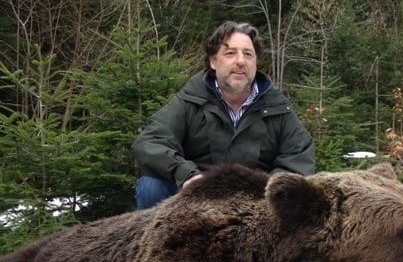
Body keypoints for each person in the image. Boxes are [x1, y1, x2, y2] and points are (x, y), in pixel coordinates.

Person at [132, 21, 315, 209]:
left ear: (256, 62)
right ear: (213, 62)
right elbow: (150, 142)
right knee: (151, 186)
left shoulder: (277, 106)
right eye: (230, 53)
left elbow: (299, 154)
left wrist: (269, 188)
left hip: (256, 201)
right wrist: (186, 174)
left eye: (248, 54)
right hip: (196, 195)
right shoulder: (191, 100)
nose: (240, 61)